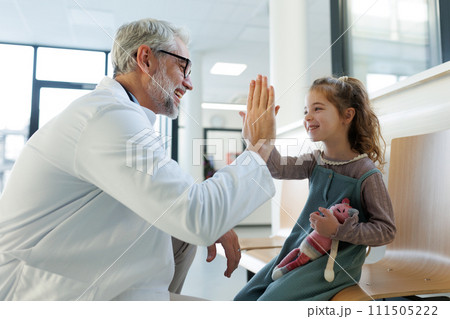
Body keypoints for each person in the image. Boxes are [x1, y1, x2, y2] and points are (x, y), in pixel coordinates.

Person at [0, 18, 278, 301]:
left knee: (182, 237)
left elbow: (179, 208)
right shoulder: (108, 118)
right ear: (146, 59)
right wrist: (259, 147)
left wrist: (202, 223)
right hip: (38, 292)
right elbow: (196, 215)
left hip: (79, 279)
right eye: (183, 67)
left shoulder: (120, 115)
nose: (189, 83)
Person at [234, 76, 396, 301]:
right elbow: (278, 168)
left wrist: (338, 231)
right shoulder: (315, 160)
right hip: (299, 250)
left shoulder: (366, 174)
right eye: (305, 111)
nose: (308, 117)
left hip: (334, 266)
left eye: (317, 109)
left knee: (266, 303)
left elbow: (386, 230)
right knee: (244, 299)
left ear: (347, 115)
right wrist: (256, 139)